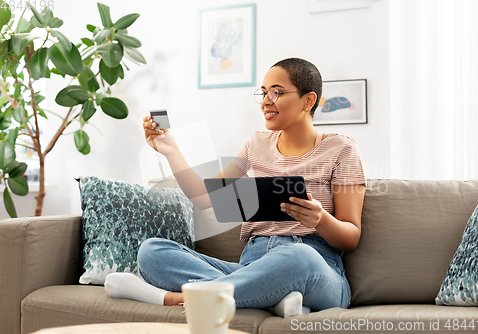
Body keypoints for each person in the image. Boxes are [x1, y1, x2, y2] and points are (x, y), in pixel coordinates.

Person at [105, 58, 366, 317]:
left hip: (315, 268)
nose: (265, 101)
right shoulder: (256, 144)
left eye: (276, 92)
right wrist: (170, 150)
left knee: (299, 257)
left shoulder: (342, 149)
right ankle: (265, 297)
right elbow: (205, 197)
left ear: (308, 101)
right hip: (251, 266)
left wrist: (320, 220)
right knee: (152, 252)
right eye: (263, 93)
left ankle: (177, 299)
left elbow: (351, 236)